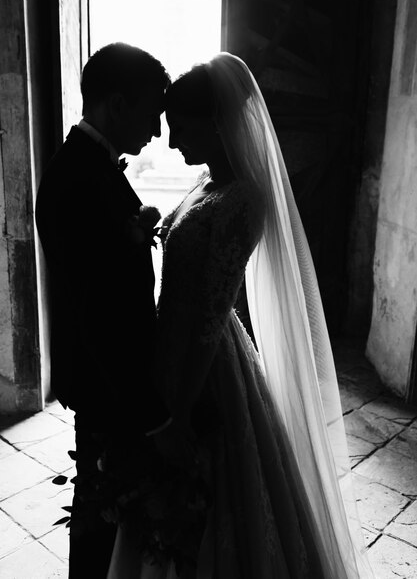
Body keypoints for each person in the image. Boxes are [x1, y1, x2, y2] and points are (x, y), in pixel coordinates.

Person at [107, 52, 375, 578]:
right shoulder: (207, 182)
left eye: (181, 128)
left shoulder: (245, 198)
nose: (172, 141)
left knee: (213, 496)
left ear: (216, 123)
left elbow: (210, 317)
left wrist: (179, 411)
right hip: (172, 343)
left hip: (204, 365)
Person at [35, 43, 189, 579]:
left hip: (107, 385)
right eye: (151, 114)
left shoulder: (89, 166)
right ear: (118, 105)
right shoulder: (76, 178)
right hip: (110, 389)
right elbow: (99, 312)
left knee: (105, 514)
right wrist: (153, 415)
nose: (156, 130)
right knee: (101, 517)